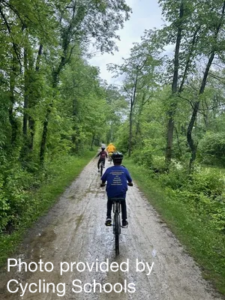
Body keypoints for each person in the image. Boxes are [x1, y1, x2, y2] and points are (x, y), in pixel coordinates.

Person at [100, 152, 133, 227]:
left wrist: (102, 184)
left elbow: (103, 180)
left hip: (111, 193)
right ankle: (124, 221)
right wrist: (130, 183)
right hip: (121, 193)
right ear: (121, 160)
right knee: (123, 202)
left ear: (113, 160)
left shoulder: (108, 170)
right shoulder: (125, 170)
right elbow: (130, 180)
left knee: (109, 201)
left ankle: (108, 217)